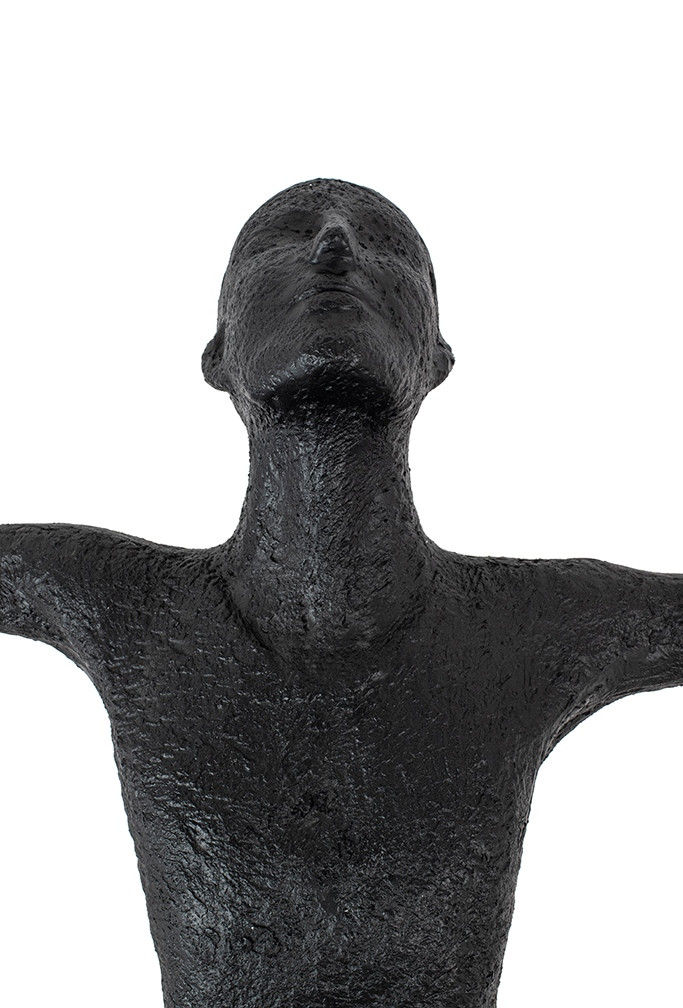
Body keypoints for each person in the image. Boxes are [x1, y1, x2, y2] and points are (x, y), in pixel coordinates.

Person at [1, 178, 681, 1008]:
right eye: (279, 242)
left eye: (386, 248)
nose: (333, 245)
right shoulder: (129, 607)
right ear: (218, 355)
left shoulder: (528, 629)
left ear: (434, 359)